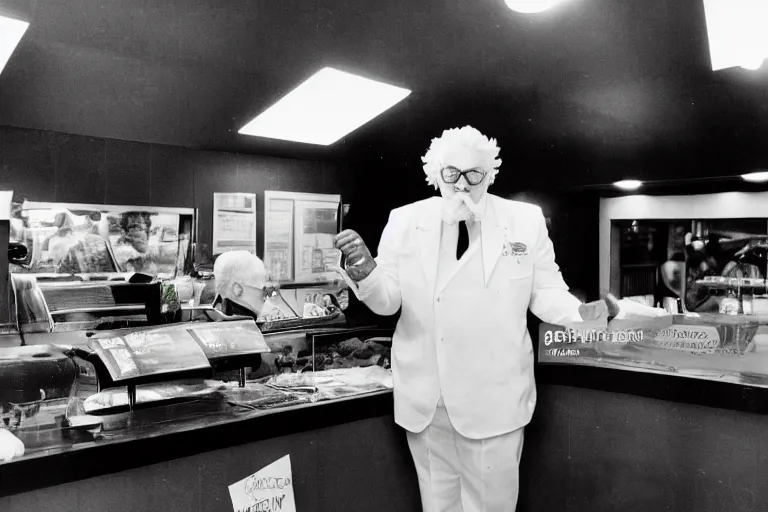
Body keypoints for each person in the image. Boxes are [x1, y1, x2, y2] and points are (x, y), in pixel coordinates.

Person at [334, 126, 622, 512]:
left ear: (491, 174)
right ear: (435, 174)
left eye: (475, 175)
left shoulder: (524, 221)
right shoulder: (404, 221)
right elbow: (388, 302)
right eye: (452, 174)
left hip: (495, 401)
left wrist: (583, 315)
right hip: (426, 400)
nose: (463, 186)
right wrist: (366, 275)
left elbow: (546, 292)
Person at [213, 250, 269, 318]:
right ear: (238, 290)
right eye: (263, 290)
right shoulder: (248, 325)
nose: (266, 297)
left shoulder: (216, 317)